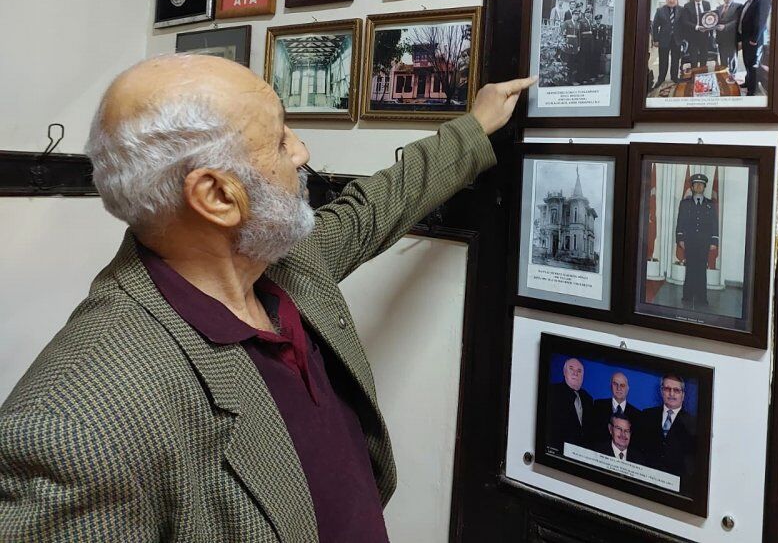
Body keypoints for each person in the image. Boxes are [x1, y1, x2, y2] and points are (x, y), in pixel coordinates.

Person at [0, 53, 533, 541]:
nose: (301, 152)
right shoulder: (79, 424)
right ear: (217, 196)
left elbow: (373, 209)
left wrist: (475, 125)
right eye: (279, 141)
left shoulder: (279, 265)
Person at [641, 375, 697, 490]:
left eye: (676, 390)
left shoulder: (693, 424)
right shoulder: (647, 415)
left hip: (678, 488)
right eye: (667, 389)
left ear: (683, 395)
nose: (671, 394)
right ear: (661, 392)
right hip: (647, 483)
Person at [675, 173, 718, 306]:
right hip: (690, 241)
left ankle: (701, 297)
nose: (699, 186)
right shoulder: (685, 204)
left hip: (704, 242)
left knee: (701, 269)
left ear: (704, 187)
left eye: (701, 184)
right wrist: (680, 238)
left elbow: (714, 223)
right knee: (690, 268)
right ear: (692, 187)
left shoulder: (710, 204)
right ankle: (687, 296)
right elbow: (680, 221)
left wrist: (714, 241)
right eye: (696, 184)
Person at [546, 358, 593, 453]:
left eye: (579, 371)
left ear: (583, 375)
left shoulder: (588, 398)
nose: (575, 373)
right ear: (564, 372)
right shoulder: (552, 392)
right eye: (571, 369)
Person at [587, 372, 644, 447]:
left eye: (622, 385)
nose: (618, 388)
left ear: (627, 389)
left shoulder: (637, 415)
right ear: (611, 387)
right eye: (615, 384)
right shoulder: (598, 406)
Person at [736, 0, 772, 96]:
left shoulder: (764, 0)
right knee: (747, 63)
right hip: (746, 39)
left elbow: (761, 21)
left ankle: (752, 90)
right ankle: (747, 82)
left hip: (754, 41)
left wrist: (754, 39)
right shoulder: (747, 3)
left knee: (753, 65)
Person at [650, 0, 684, 87]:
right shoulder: (660, 10)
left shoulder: (681, 10)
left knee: (675, 60)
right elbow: (655, 26)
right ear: (666, 0)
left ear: (676, 0)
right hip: (663, 39)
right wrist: (655, 40)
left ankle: (674, 77)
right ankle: (661, 78)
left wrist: (684, 39)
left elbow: (684, 24)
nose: (672, 0)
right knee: (663, 60)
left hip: (677, 39)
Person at [680, 0, 713, 70]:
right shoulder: (687, 6)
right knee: (693, 58)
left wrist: (709, 28)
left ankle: (703, 72)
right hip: (692, 35)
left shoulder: (707, 4)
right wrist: (697, 27)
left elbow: (709, 17)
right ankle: (694, 73)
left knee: (704, 56)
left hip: (704, 35)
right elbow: (685, 21)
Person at [714, 0, 743, 74]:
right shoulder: (718, 8)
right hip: (721, 38)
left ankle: (732, 76)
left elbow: (737, 21)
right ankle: (724, 75)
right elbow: (716, 20)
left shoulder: (738, 6)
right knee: (722, 58)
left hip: (732, 38)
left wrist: (725, 26)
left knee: (732, 59)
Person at [562, 10, 582, 83]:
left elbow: (578, 36)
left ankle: (570, 79)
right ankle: (565, 78)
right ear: (572, 15)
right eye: (575, 15)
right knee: (567, 61)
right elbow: (563, 33)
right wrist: (564, 43)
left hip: (575, 45)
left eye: (577, 15)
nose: (576, 16)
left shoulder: (578, 24)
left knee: (572, 62)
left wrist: (579, 45)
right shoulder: (567, 22)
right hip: (568, 43)